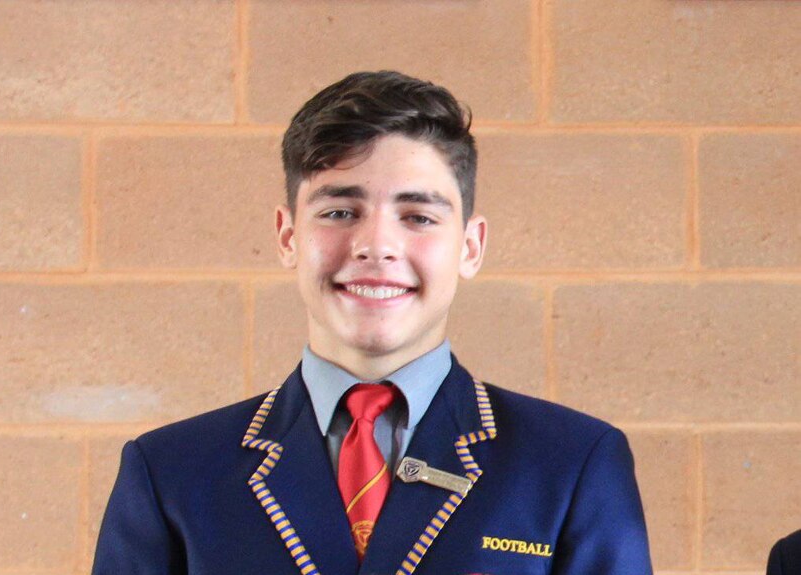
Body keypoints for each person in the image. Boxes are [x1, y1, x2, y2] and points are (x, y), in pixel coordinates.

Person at [93, 70, 653, 575]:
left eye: (418, 216)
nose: (377, 246)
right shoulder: (170, 472)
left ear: (471, 246)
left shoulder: (572, 463)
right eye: (340, 212)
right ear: (289, 238)